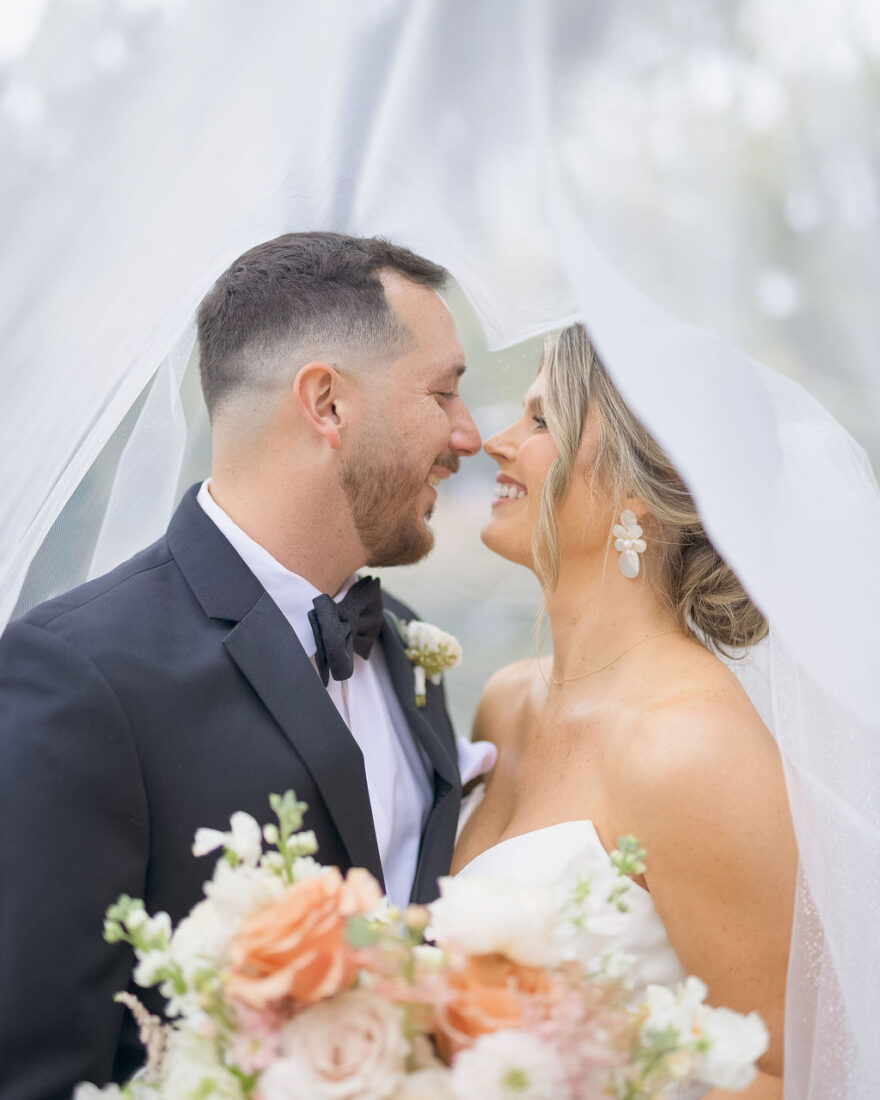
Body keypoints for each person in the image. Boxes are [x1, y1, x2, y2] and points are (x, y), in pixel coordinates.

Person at [0, 232, 482, 1099]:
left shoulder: (410, 651)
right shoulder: (78, 676)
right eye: (443, 392)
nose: (469, 434)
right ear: (326, 403)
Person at [452, 324, 798, 1099]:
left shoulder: (693, 748)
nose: (497, 442)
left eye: (541, 419)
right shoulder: (506, 703)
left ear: (647, 481)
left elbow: (782, 1071)